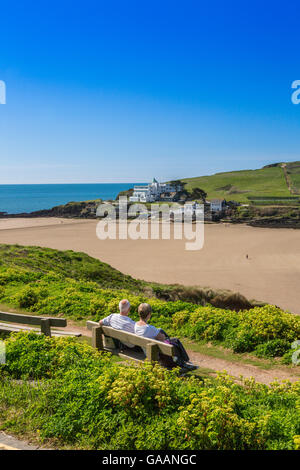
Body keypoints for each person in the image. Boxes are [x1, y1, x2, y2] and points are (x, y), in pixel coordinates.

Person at [134, 303, 197, 371]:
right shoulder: (150, 328)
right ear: (149, 314)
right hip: (155, 353)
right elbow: (163, 338)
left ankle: (184, 362)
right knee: (175, 340)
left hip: (146, 350)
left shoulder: (136, 325)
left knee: (161, 331)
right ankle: (185, 362)